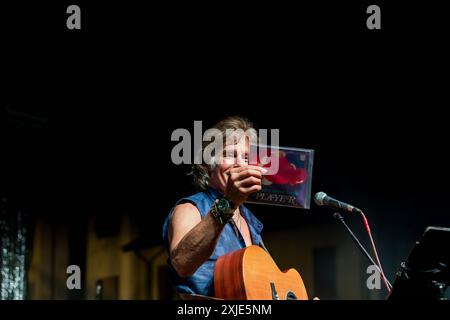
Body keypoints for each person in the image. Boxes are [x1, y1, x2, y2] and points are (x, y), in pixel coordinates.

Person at [162, 116, 266, 297]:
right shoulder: (189, 208)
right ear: (208, 163)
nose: (241, 164)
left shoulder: (250, 221)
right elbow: (181, 263)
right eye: (231, 154)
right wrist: (229, 203)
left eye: (247, 157)